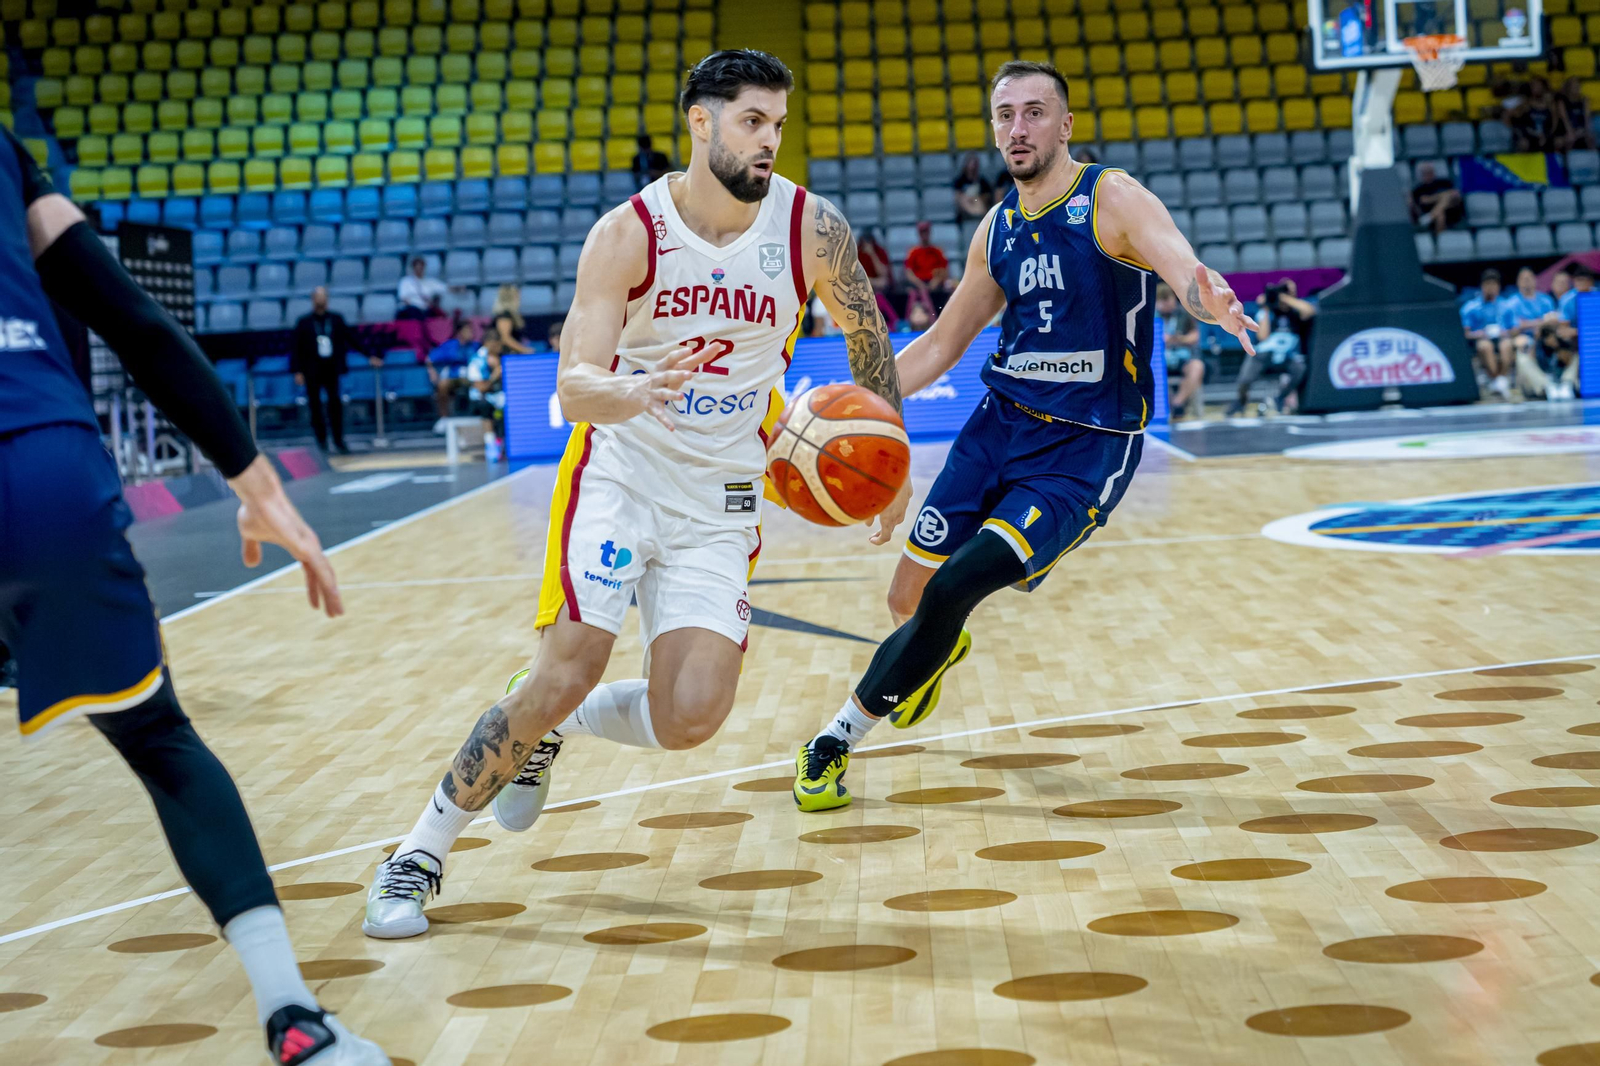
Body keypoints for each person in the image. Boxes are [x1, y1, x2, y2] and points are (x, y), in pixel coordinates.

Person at [362, 49, 907, 937]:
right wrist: (634, 389)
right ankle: (416, 855)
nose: (769, 140)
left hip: (723, 496)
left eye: (776, 123)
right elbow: (574, 386)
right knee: (567, 668)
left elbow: (868, 333)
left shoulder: (812, 228)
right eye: (751, 121)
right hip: (620, 475)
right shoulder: (628, 234)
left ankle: (553, 729)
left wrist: (894, 462)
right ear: (701, 121)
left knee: (691, 716)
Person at [0, 128, 385, 1064]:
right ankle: (294, 1018)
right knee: (158, 741)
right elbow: (131, 319)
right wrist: (257, 483)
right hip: (40, 460)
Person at [790, 60, 1258, 811]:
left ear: (1065, 125)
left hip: (1084, 448)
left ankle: (833, 740)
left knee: (953, 587)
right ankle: (936, 648)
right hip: (997, 427)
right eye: (1005, 114)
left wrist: (1210, 300)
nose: (1018, 128)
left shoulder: (1112, 197)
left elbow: (1182, 269)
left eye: (1035, 112)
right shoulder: (997, 228)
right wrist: (859, 405)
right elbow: (940, 345)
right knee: (908, 597)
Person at [290, 286, 364, 454]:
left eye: (323, 296)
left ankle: (339, 440)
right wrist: (297, 371)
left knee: (335, 406)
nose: (321, 300)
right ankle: (321, 441)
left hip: (331, 368)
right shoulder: (304, 322)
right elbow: (296, 348)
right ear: (313, 299)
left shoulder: (336, 319)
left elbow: (351, 339)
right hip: (312, 370)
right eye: (318, 297)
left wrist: (369, 355)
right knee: (315, 407)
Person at [1226, 279, 1314, 416]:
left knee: (1300, 368)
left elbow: (1310, 310)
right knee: (1245, 378)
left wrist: (1285, 298)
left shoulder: (1297, 311)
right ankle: (1240, 402)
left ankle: (1279, 398)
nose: (1286, 295)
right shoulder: (1269, 309)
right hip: (1264, 355)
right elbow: (1263, 336)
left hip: (1287, 356)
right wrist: (1266, 307)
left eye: (1290, 292)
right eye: (1284, 291)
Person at [1502, 265, 1561, 398]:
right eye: (1523, 279)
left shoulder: (1546, 300)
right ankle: (1545, 386)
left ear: (1535, 280)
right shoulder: (1511, 303)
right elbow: (1515, 328)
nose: (1526, 282)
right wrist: (1541, 322)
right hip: (1524, 339)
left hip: (1546, 337)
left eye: (1529, 278)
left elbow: (1553, 320)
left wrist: (1533, 325)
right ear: (1518, 282)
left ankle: (1563, 381)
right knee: (1523, 351)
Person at [1461, 267, 1512, 396]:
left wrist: (1505, 332)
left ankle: (1500, 380)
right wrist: (1478, 334)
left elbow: (1514, 329)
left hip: (1501, 339)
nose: (1491, 288)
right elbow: (1465, 333)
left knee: (1507, 345)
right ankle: (1496, 379)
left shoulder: (1506, 306)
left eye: (1494, 284)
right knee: (1485, 346)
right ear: (1482, 286)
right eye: (1488, 284)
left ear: (1498, 287)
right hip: (1480, 341)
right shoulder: (1470, 307)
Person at [1157, 282, 1204, 419]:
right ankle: (1168, 406)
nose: (1166, 304)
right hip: (1159, 360)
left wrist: (1179, 339)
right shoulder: (1150, 316)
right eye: (1162, 300)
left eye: (1168, 299)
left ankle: (1177, 403)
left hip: (1182, 358)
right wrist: (1161, 339)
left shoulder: (1184, 313)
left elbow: (1195, 336)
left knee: (1197, 367)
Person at [425, 319, 476, 426]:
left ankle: (481, 417)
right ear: (460, 332)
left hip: (471, 378)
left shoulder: (475, 346)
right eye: (468, 330)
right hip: (453, 378)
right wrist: (432, 372)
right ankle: (444, 418)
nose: (471, 333)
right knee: (442, 385)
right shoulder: (449, 345)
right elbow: (429, 359)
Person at [465, 331, 505, 458]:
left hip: (500, 397)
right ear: (489, 343)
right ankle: (491, 444)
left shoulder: (502, 357)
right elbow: (481, 388)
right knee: (485, 407)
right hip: (481, 399)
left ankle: (504, 444)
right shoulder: (476, 360)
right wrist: (495, 375)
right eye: (497, 345)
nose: (500, 347)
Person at [905, 219, 954, 313]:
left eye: (926, 232)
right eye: (922, 232)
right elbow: (909, 273)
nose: (924, 235)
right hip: (919, 284)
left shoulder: (938, 251)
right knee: (916, 292)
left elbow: (944, 270)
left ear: (929, 232)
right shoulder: (913, 252)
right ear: (919, 234)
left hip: (935, 285)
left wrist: (935, 282)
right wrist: (921, 285)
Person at [856, 228, 901, 329]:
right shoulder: (856, 252)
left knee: (883, 283)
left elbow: (884, 273)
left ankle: (892, 321)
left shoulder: (879, 251)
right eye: (865, 240)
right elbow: (854, 275)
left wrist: (872, 254)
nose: (867, 243)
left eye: (869, 239)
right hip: (862, 286)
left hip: (877, 287)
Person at [1409, 162, 1463, 236]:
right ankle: (1440, 238)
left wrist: (1433, 198)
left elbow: (1455, 195)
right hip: (1431, 211)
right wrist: (1439, 197)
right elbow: (1422, 201)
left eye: (1430, 172)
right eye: (1425, 173)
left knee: (1447, 196)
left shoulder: (1445, 183)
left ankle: (1430, 216)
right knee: (1440, 214)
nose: (1428, 175)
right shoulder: (1418, 189)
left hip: (1452, 210)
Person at [1511, 76, 1559, 152]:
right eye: (1534, 86)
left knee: (1558, 141)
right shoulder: (1526, 103)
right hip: (1531, 135)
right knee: (1523, 143)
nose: (1536, 88)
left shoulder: (1550, 104)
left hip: (1546, 134)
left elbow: (1554, 123)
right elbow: (1515, 116)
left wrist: (1547, 135)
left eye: (1538, 86)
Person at [489, 283, 533, 353]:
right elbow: (505, 338)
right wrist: (524, 350)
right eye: (517, 296)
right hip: (504, 355)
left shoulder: (508, 315)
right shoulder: (504, 316)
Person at [953, 151, 995, 220]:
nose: (973, 167)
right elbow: (958, 197)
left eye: (975, 164)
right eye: (970, 163)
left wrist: (974, 198)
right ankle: (975, 214)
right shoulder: (960, 181)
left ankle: (977, 214)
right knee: (964, 199)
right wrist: (969, 198)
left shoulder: (982, 181)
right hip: (964, 207)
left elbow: (986, 197)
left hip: (977, 202)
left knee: (977, 200)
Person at [1557, 77, 1596, 150]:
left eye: (1578, 86)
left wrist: (1587, 132)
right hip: (1567, 130)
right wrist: (1571, 132)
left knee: (1591, 137)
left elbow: (1587, 118)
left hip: (1581, 130)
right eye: (1574, 86)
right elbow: (1565, 119)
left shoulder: (1584, 100)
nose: (1577, 88)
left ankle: (1592, 156)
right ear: (1569, 88)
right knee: (1569, 139)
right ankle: (1567, 156)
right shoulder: (1562, 102)